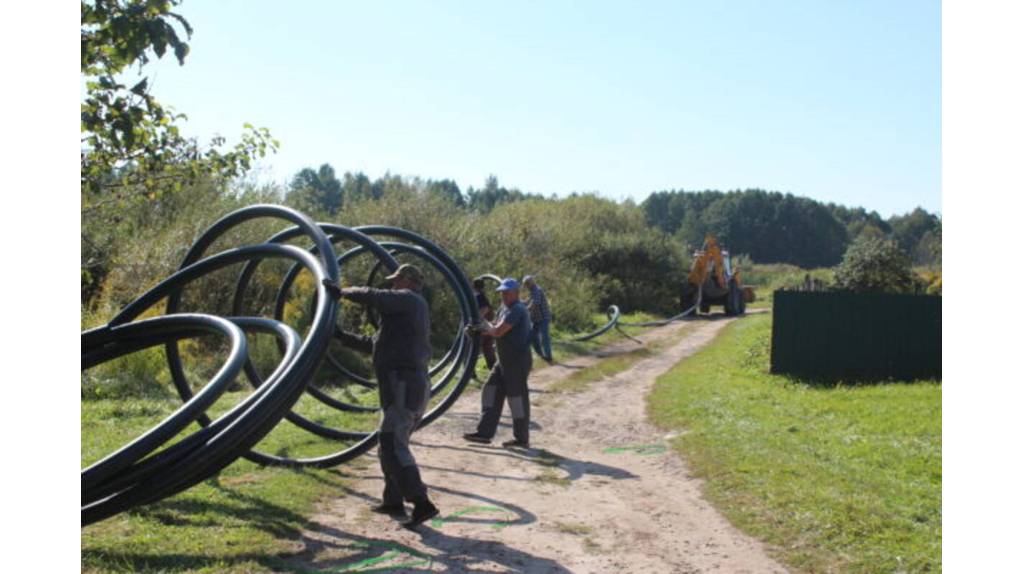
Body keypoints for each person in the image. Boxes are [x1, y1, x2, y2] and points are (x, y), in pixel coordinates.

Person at [336, 263, 440, 529]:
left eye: (397, 281)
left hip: (405, 386)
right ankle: (393, 500)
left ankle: (421, 503)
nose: (393, 285)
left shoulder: (410, 300)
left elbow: (374, 295)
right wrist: (340, 337)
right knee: (388, 442)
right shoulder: (405, 315)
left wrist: (342, 292)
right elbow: (375, 345)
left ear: (408, 281)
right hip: (402, 386)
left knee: (394, 443)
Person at [463, 277, 533, 448]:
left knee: (516, 399)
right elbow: (495, 326)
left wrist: (482, 327)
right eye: (502, 292)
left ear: (516, 293)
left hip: (517, 361)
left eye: (507, 292)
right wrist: (477, 329)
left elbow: (498, 331)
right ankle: (484, 433)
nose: (503, 295)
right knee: (490, 390)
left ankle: (521, 439)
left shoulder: (517, 309)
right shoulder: (505, 308)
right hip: (504, 361)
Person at [523, 275, 553, 363]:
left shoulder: (536, 290)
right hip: (536, 319)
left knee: (544, 338)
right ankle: (541, 355)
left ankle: (548, 357)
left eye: (527, 284)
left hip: (543, 318)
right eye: (525, 284)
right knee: (532, 337)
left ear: (531, 283)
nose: (526, 286)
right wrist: (520, 302)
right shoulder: (532, 291)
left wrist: (525, 310)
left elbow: (535, 304)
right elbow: (528, 301)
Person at [472, 278, 497, 371]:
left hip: (482, 325)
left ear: (473, 286)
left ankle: (471, 371)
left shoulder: (478, 296)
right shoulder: (480, 296)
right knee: (487, 347)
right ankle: (494, 369)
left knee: (475, 347)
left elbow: (485, 309)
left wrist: (478, 320)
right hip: (486, 324)